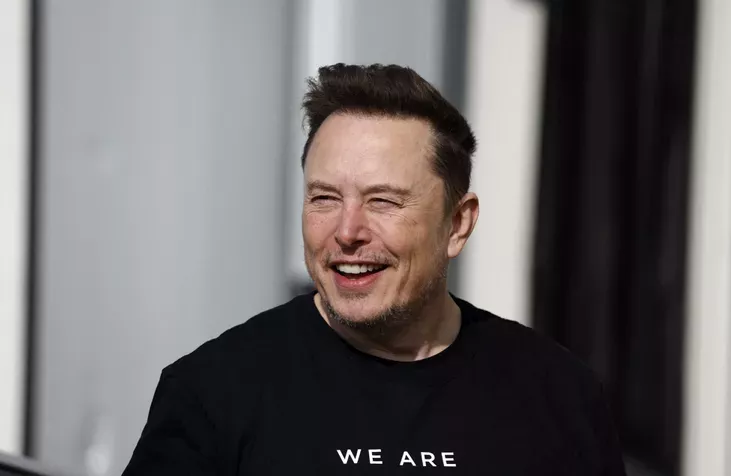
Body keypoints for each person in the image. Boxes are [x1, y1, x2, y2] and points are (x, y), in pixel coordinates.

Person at [122, 63, 625, 475]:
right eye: (324, 198)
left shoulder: (560, 397)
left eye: (383, 201)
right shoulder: (213, 393)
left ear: (457, 224)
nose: (347, 231)